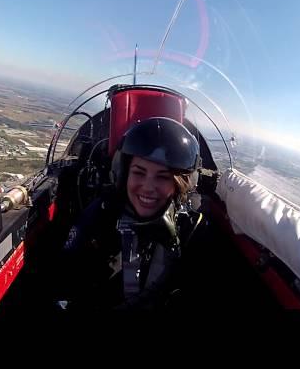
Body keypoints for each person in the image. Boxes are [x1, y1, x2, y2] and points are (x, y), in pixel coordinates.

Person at [55, 117, 202, 311]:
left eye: (163, 177)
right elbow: (66, 281)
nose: (148, 187)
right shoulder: (100, 217)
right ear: (123, 174)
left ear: (180, 185)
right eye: (139, 173)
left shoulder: (191, 231)